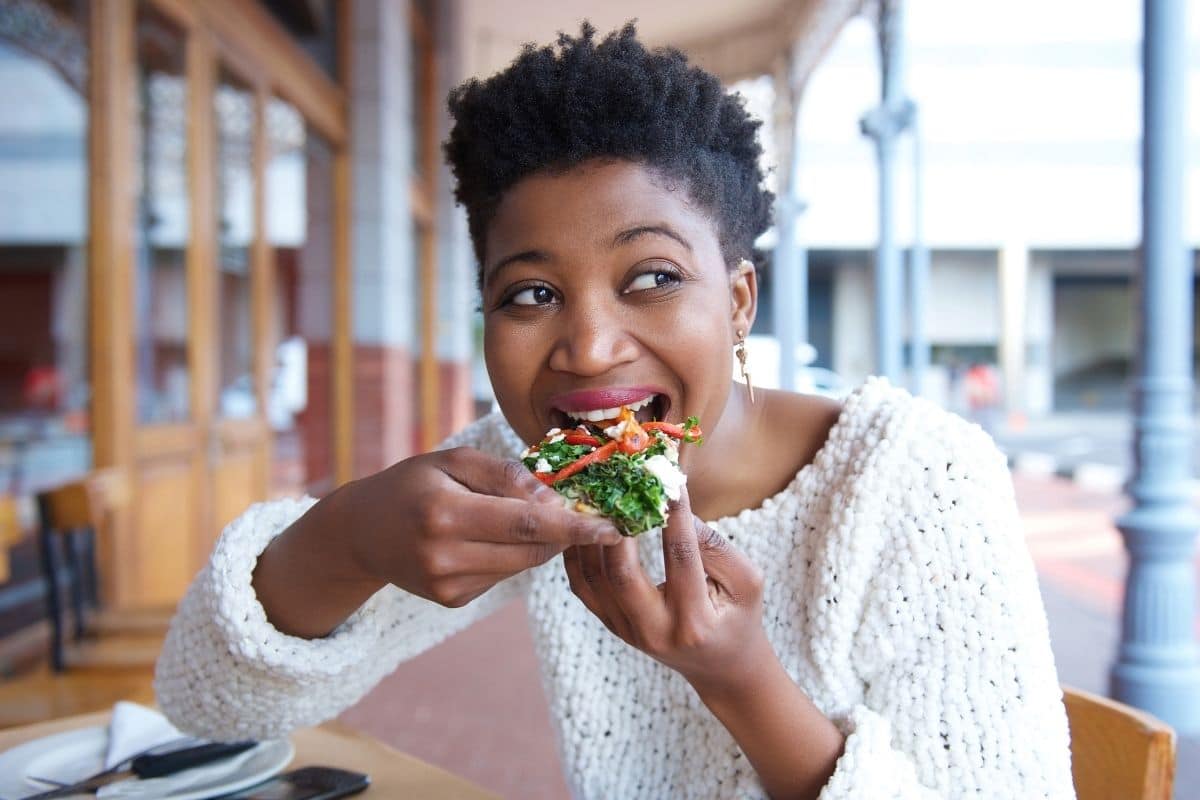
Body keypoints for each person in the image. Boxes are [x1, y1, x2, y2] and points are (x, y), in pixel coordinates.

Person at [155, 23, 1075, 800]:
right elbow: (209, 703)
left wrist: (742, 680)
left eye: (653, 278)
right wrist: (345, 539)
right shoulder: (518, 480)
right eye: (529, 295)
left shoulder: (917, 479)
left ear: (741, 300)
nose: (589, 347)